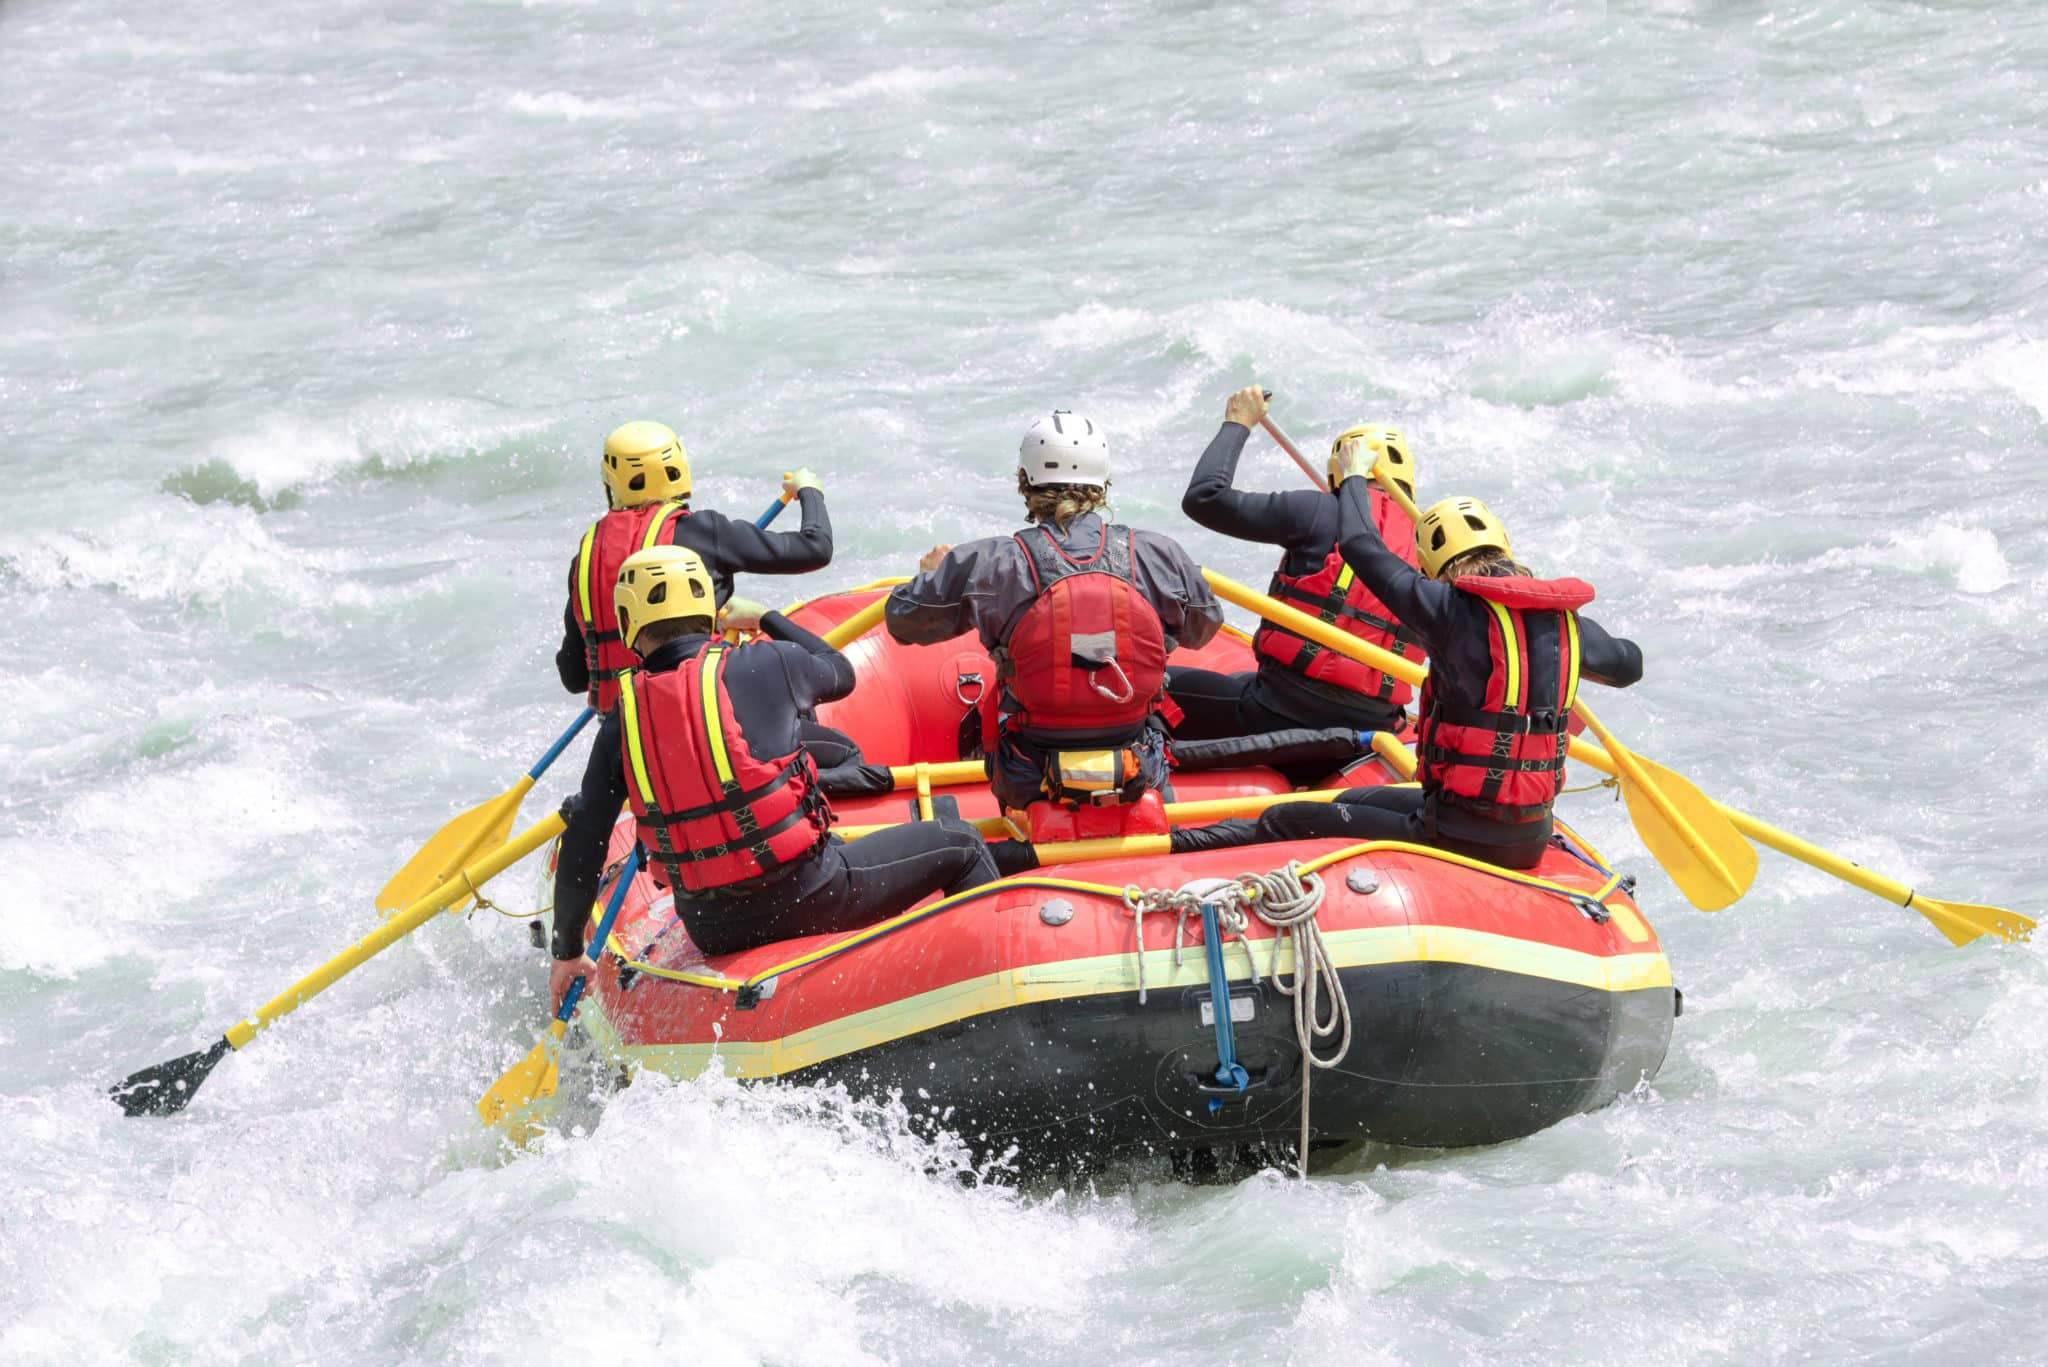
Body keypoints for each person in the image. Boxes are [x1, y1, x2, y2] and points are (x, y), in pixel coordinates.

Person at [549, 546, 997, 1006]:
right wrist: (766, 618)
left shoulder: (623, 718)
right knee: (962, 844)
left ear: (628, 624)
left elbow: (585, 838)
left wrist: (566, 951)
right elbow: (840, 673)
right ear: (707, 608)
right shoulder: (766, 662)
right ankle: (986, 993)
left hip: (712, 930)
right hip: (813, 897)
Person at [1186, 440, 1643, 871]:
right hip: (1530, 836)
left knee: (1288, 817)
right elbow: (1629, 664)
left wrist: (1355, 479)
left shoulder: (1446, 610)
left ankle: (1182, 847)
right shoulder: (1568, 628)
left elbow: (1361, 547)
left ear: (1433, 563)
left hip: (1454, 833)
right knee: (1349, 804)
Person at [884, 410, 1224, 813]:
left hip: (1028, 772)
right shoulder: (1158, 554)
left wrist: (933, 577)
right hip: (1138, 762)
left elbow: (902, 621)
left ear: (1025, 482)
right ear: (1102, 483)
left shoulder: (991, 562)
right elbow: (1203, 630)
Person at [1171, 386, 1425, 744]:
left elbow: (1204, 498)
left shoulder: (1317, 510)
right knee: (1237, 682)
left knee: (1151, 687)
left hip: (1277, 714)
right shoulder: (1432, 548)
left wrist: (1238, 422)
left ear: (1338, 473)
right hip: (1376, 725)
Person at [554, 419, 834, 715]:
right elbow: (816, 548)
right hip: (707, 709)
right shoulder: (703, 530)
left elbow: (574, 678)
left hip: (627, 727)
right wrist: (809, 491)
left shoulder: (585, 559)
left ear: (611, 481)